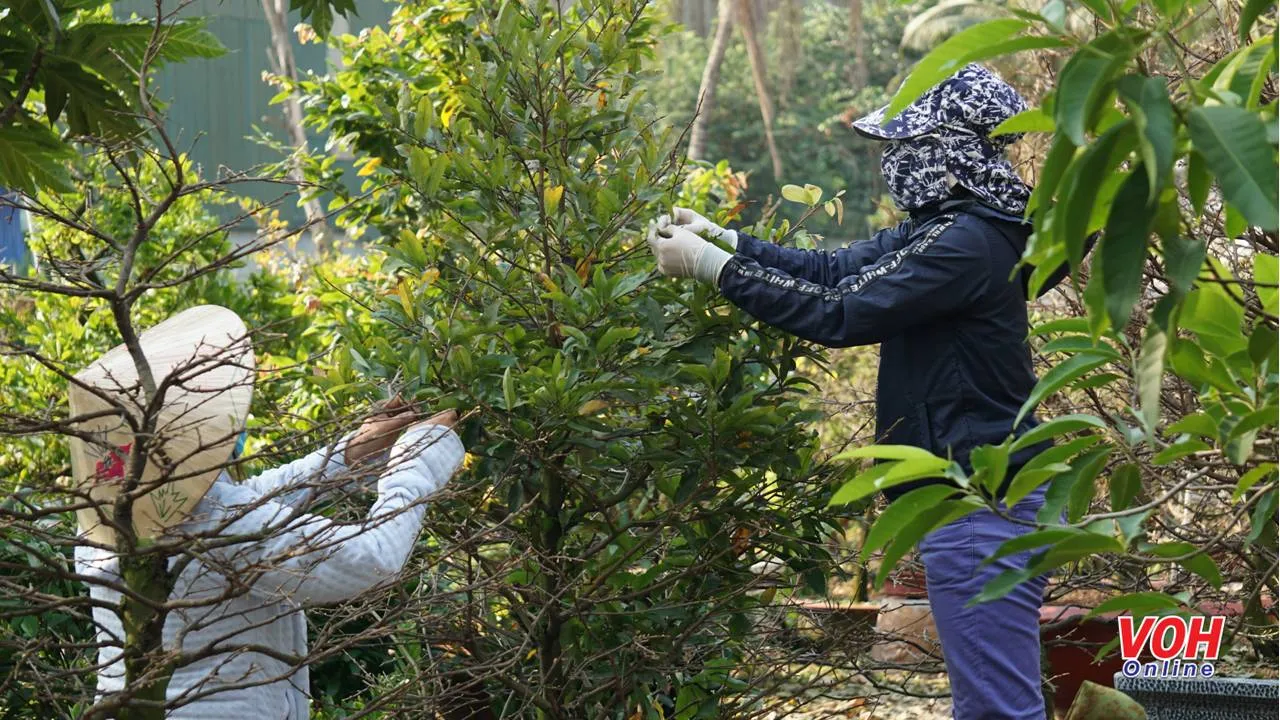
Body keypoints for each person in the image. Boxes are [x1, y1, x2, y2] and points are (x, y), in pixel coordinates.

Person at [647, 65, 1061, 720]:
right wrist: (729, 242)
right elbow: (837, 269)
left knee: (996, 712)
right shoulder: (956, 225)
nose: (895, 161)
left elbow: (841, 311)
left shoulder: (964, 244)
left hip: (984, 504)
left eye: (909, 145)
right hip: (982, 498)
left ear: (949, 149)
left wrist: (714, 269)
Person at [71, 305, 466, 719]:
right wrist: (418, 461)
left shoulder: (105, 517)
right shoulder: (223, 524)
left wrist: (346, 456)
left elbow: (245, 500)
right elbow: (373, 558)